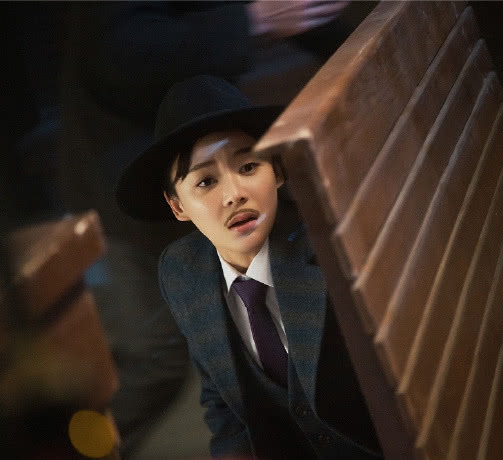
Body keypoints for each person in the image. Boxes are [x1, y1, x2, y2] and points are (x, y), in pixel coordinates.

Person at [115, 75, 381, 459]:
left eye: (248, 166)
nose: (234, 194)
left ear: (278, 172)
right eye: (206, 181)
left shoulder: (330, 248)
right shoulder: (182, 274)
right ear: (177, 206)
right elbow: (221, 401)